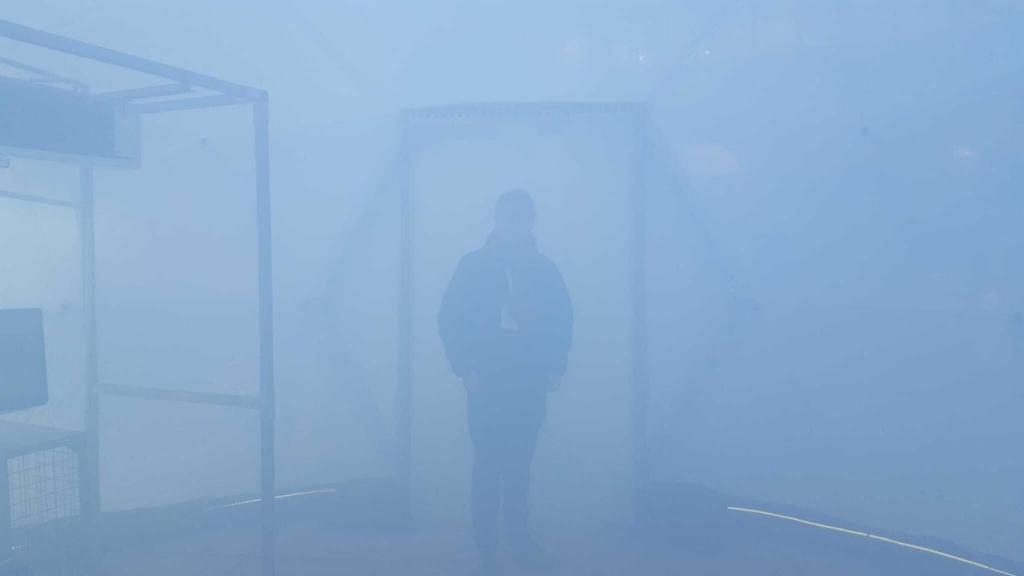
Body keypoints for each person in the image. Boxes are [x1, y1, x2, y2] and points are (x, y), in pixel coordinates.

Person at [438, 189, 573, 571]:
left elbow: (562, 321)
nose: (516, 225)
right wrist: (465, 367)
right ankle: (485, 541)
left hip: (527, 381)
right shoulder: (474, 267)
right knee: (487, 459)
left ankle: (517, 536)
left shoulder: (545, 271)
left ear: (530, 222)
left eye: (522, 218)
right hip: (487, 380)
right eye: (510, 217)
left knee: (520, 461)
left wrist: (554, 366)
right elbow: (450, 318)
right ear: (497, 220)